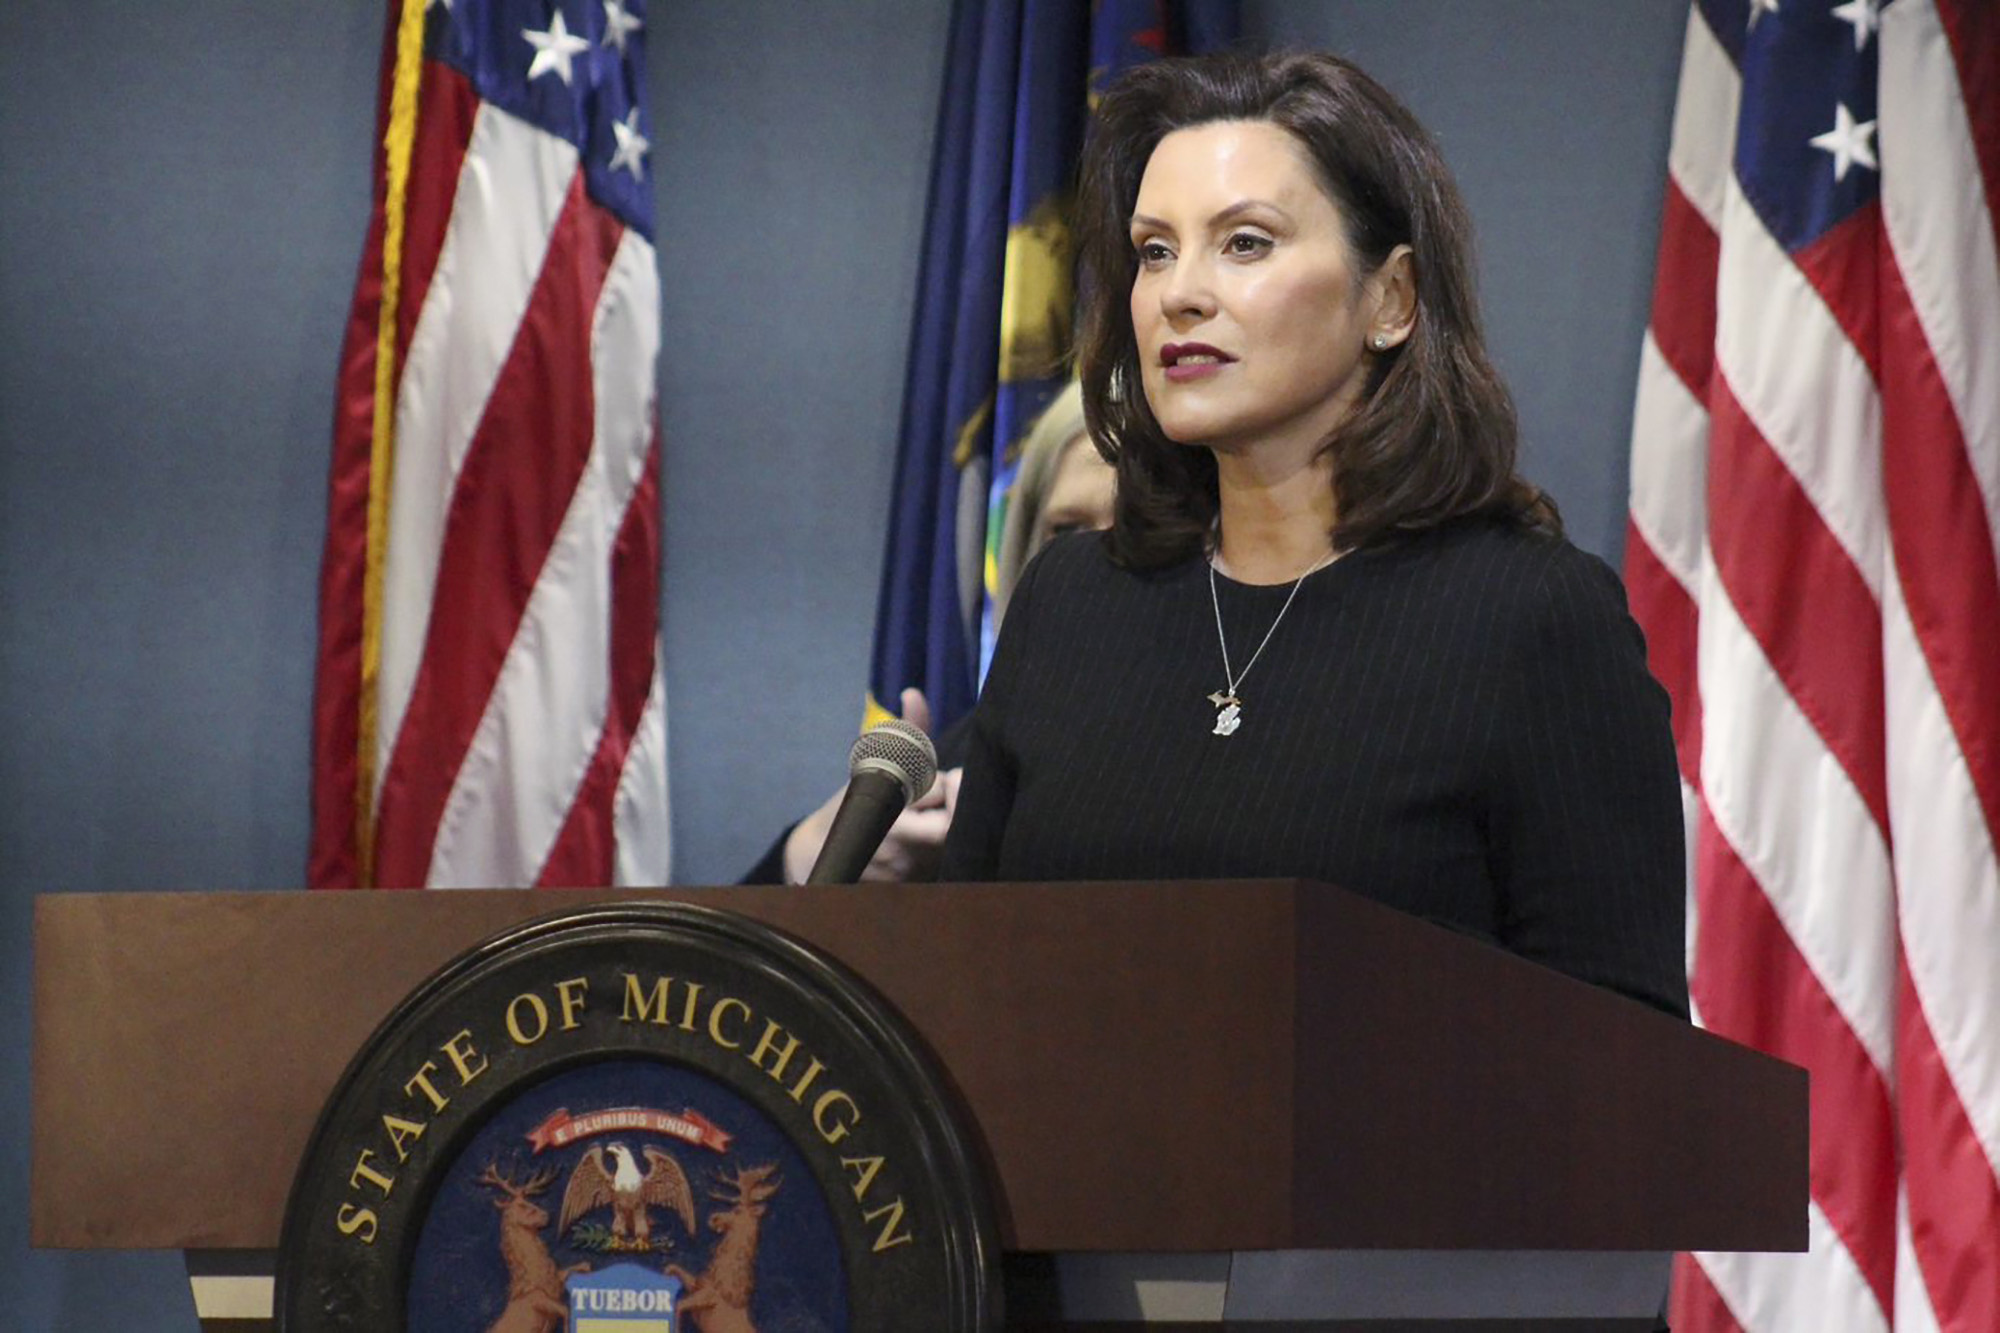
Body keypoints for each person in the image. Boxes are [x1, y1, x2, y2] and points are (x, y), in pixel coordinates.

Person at [939, 51, 1687, 1020]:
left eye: (1243, 244)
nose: (1179, 294)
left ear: (1390, 301)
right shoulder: (1069, 602)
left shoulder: (1528, 617)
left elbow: (1627, 1063)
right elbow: (954, 991)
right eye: (1153, 251)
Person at [747, 381, 1115, 884]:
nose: (1091, 563)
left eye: (1136, 530)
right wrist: (814, 854)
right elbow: (715, 959)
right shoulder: (974, 752)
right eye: (1067, 532)